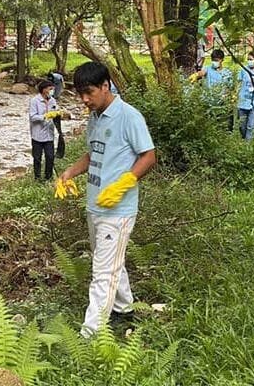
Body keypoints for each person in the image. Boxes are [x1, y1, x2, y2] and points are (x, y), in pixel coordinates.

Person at [55, 61, 156, 337]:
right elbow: (92, 154)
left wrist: (126, 181)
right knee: (110, 261)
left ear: (105, 86)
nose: (84, 100)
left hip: (118, 210)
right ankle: (124, 309)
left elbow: (149, 156)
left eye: (89, 92)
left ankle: (90, 334)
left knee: (102, 272)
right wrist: (69, 173)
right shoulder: (95, 117)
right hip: (95, 205)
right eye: (80, 94)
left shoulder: (128, 116)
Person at [188, 49, 233, 130]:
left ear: (222, 60)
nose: (214, 62)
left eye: (216, 60)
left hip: (221, 103)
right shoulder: (208, 68)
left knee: (223, 126)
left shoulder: (227, 73)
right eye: (213, 60)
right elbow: (202, 72)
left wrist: (229, 97)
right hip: (208, 102)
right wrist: (196, 75)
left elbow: (229, 88)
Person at [29, 80, 62, 180]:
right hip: (37, 135)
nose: (52, 91)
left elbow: (56, 110)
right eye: (50, 89)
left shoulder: (52, 100)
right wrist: (45, 116)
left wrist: (58, 113)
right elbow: (33, 117)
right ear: (44, 90)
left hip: (49, 134)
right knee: (37, 158)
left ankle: (48, 177)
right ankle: (37, 177)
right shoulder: (35, 101)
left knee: (50, 156)